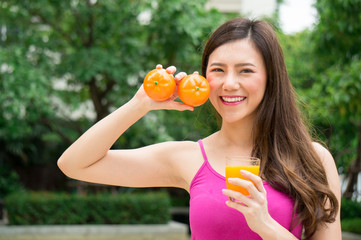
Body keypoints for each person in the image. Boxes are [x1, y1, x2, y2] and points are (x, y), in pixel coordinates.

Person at [57, 17, 341, 239]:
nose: (229, 83)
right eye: (218, 70)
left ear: (271, 78)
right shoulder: (188, 157)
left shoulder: (312, 159)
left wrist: (266, 226)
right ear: (204, 78)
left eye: (245, 70)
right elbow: (74, 164)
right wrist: (139, 104)